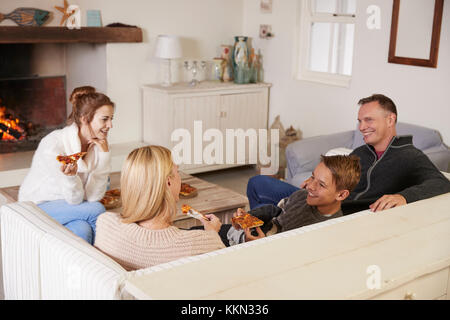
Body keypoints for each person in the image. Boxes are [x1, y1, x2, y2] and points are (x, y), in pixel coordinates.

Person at [246, 94, 450, 214]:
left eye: (369, 120)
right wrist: (315, 179)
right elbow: (336, 172)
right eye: (360, 121)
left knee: (268, 210)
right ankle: (269, 229)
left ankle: (270, 229)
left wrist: (403, 196)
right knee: (258, 183)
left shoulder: (409, 156)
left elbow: (441, 183)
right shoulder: (362, 151)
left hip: (336, 212)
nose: (362, 127)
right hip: (318, 198)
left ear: (390, 120)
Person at [94, 145, 225, 271]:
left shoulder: (105, 223)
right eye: (177, 172)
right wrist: (212, 233)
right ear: (168, 182)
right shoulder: (203, 243)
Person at [19, 86, 114, 244]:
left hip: (69, 207)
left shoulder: (97, 146)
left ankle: (88, 267)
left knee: (82, 229)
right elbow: (76, 200)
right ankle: (108, 261)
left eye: (112, 119)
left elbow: (93, 196)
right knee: (97, 210)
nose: (110, 125)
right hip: (38, 206)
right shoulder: (54, 144)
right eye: (105, 119)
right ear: (84, 118)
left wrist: (104, 156)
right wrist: (70, 178)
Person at [222, 155, 361, 246]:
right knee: (203, 230)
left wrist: (258, 247)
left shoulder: (327, 233)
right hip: (250, 236)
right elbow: (277, 212)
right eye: (312, 177)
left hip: (256, 251)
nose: (310, 186)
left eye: (321, 184)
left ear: (341, 195)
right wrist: (249, 218)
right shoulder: (301, 196)